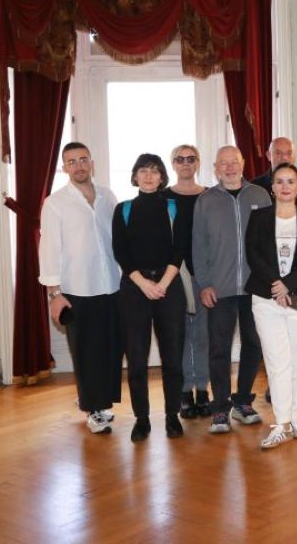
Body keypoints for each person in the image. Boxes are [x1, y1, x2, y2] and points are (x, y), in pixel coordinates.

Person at [39, 142, 122, 435]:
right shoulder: (55, 203)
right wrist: (54, 293)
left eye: (83, 159)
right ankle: (92, 407)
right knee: (86, 352)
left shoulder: (108, 196)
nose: (79, 166)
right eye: (72, 161)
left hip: (112, 285)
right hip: (77, 290)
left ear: (92, 163)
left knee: (111, 349)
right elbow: (49, 249)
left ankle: (101, 401)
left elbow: (118, 240)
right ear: (65, 168)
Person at [245, 163, 297, 449]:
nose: (285, 186)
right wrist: (276, 284)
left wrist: (288, 284)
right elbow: (253, 254)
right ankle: (280, 423)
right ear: (272, 187)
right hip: (266, 298)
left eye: (291, 181)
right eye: (279, 181)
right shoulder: (259, 217)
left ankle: (295, 417)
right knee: (276, 360)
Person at [192, 146, 270, 434]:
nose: (229, 167)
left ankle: (243, 402)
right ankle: (220, 408)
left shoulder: (260, 196)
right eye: (223, 163)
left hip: (254, 288)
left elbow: (269, 242)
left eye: (234, 162)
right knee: (219, 349)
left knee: (254, 344)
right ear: (215, 168)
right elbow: (198, 246)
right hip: (219, 289)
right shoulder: (206, 200)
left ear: (243, 163)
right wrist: (204, 283)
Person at [111, 153, 187, 442]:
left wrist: (162, 284)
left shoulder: (174, 207)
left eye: (155, 171)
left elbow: (179, 250)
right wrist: (144, 284)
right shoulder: (123, 210)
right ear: (135, 176)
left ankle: (172, 416)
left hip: (169, 286)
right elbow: (121, 251)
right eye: (143, 170)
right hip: (135, 289)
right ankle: (141, 418)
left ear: (162, 177)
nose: (148, 176)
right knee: (137, 359)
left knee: (173, 358)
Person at [251, 136, 297, 398]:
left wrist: (290, 283)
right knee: (275, 345)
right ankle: (276, 385)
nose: (282, 156)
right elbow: (253, 246)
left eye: (287, 152)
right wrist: (277, 283)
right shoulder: (255, 187)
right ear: (268, 155)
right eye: (277, 152)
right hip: (268, 283)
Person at [165, 144, 210, 419]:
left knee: (203, 337)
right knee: (180, 338)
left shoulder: (210, 196)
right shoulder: (163, 197)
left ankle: (203, 390)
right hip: (174, 277)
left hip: (204, 276)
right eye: (179, 159)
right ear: (173, 164)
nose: (185, 163)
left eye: (190, 158)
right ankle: (184, 393)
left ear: (198, 163)